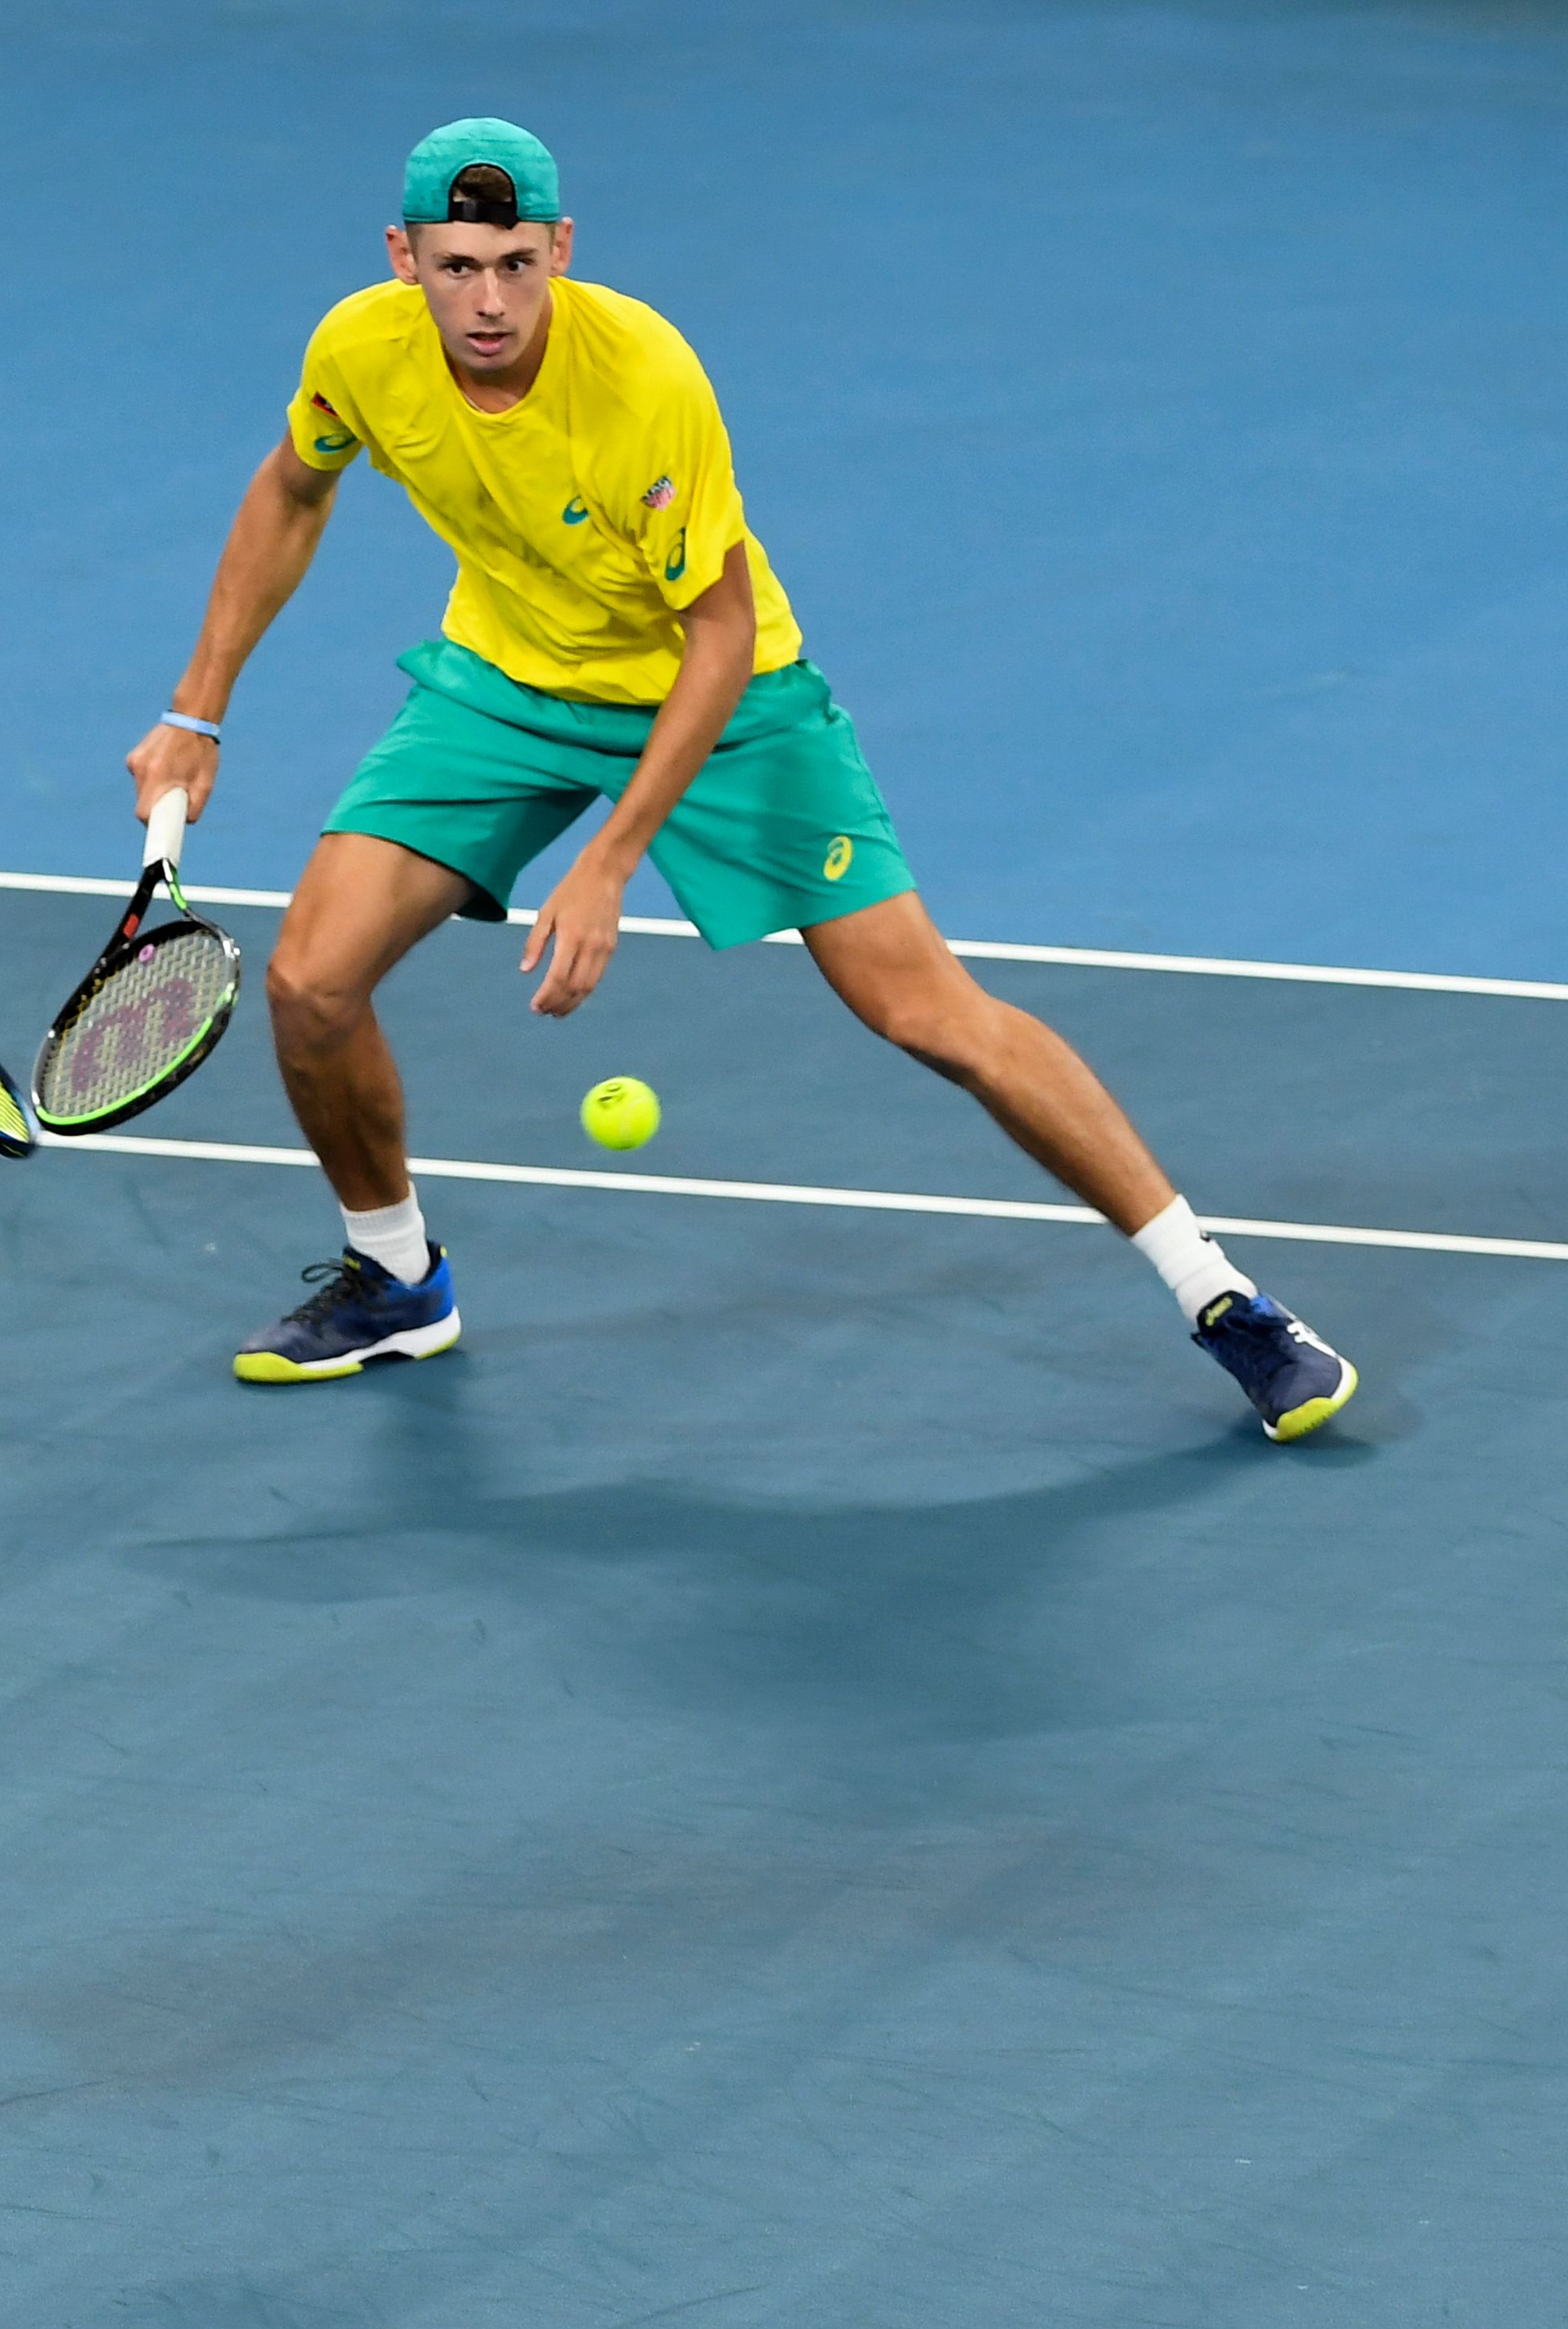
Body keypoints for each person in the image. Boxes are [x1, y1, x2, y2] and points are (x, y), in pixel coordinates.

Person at [124, 119, 1355, 1442]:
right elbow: (293, 489)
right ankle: (398, 1276)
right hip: (509, 683)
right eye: (458, 265)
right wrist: (198, 706)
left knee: (926, 1010)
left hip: (728, 694)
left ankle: (1223, 1297)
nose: (489, 301)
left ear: (564, 250)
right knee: (311, 980)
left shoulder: (644, 378)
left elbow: (713, 635)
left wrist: (606, 865)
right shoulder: (358, 348)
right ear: (402, 256)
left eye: (519, 265)